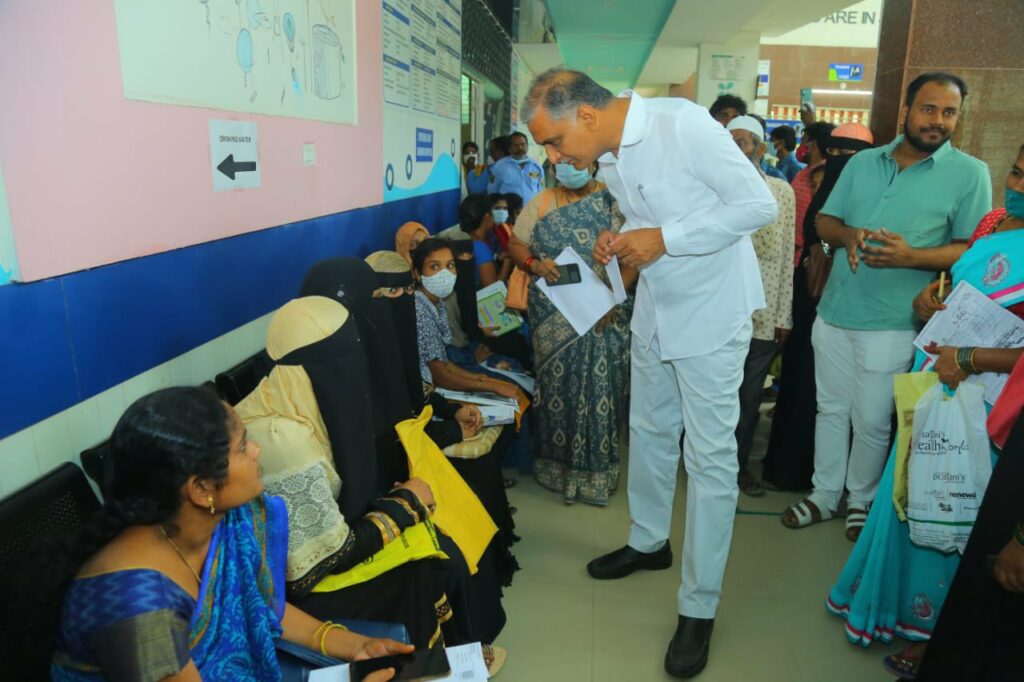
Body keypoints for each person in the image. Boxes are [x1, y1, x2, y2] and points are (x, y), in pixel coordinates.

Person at [522, 67, 777, 677]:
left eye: (553, 141)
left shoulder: (681, 125)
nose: (553, 157)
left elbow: (757, 205)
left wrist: (665, 237)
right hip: (657, 309)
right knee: (651, 430)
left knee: (709, 460)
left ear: (586, 115)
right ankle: (648, 541)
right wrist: (620, 241)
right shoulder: (610, 155)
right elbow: (648, 221)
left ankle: (699, 607)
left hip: (711, 313)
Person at [42, 387, 410, 682]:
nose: (257, 450)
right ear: (202, 489)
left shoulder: (225, 520)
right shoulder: (138, 609)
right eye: (242, 446)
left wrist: (349, 644)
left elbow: (259, 605)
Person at [827, 144, 1024, 680]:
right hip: (938, 383)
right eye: (1016, 171)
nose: (1017, 186)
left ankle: (938, 629)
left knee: (955, 507)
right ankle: (886, 605)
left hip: (991, 405)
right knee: (910, 494)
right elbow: (957, 286)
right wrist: (927, 300)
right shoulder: (992, 222)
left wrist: (970, 358)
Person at [781, 73, 992, 543]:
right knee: (829, 410)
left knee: (873, 420)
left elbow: (971, 250)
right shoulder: (862, 162)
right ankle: (824, 493)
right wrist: (847, 235)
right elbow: (824, 221)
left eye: (950, 112)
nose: (938, 121)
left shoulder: (969, 173)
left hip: (895, 321)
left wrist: (911, 257)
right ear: (907, 110)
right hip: (835, 310)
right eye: (929, 109)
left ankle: (860, 500)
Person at [233, 297, 466, 651]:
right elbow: (321, 562)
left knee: (439, 546)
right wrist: (406, 504)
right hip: (299, 591)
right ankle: (425, 663)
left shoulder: (302, 402)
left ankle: (455, 657)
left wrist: (400, 502)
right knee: (420, 570)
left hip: (322, 555)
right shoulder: (281, 438)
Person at [507, 161, 636, 506]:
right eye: (560, 163)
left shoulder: (615, 201)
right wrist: (535, 264)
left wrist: (609, 300)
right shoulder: (542, 202)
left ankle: (596, 475)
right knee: (556, 389)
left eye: (574, 161)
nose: (567, 167)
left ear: (592, 163)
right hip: (555, 316)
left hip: (606, 315)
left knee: (602, 388)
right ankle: (555, 470)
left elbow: (633, 259)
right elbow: (516, 244)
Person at [760, 123, 869, 492]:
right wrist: (828, 248)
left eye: (850, 155)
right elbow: (813, 237)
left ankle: (838, 481)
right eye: (834, 152)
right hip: (810, 296)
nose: (841, 161)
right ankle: (790, 470)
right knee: (802, 380)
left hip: (855, 303)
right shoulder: (810, 183)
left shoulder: (873, 190)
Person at [725, 115, 795, 498]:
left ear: (761, 148)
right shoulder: (712, 191)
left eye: (743, 141)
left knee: (749, 396)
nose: (736, 148)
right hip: (719, 313)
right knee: (716, 394)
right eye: (730, 141)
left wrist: (784, 315)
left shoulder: (781, 192)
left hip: (763, 315)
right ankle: (706, 463)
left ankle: (737, 468)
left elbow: (784, 258)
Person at [788, 122, 835, 266]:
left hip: (807, 256)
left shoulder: (822, 175)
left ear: (813, 144)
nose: (801, 146)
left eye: (803, 140)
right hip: (791, 253)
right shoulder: (804, 172)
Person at [489, 131, 544, 204]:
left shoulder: (536, 166)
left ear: (527, 146)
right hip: (509, 210)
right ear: (509, 148)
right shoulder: (499, 166)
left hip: (532, 209)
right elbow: (492, 191)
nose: (520, 148)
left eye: (522, 144)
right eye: (515, 145)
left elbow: (541, 191)